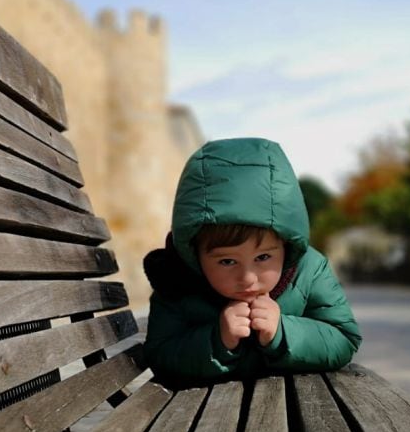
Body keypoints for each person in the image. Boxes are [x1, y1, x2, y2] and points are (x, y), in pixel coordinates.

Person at [143, 138, 362, 387]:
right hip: (213, 411)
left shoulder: (308, 269)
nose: (247, 278)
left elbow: (344, 338)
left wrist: (282, 332)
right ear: (194, 252)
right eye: (227, 261)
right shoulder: (176, 279)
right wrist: (217, 340)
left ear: (286, 243)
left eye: (263, 257)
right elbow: (160, 355)